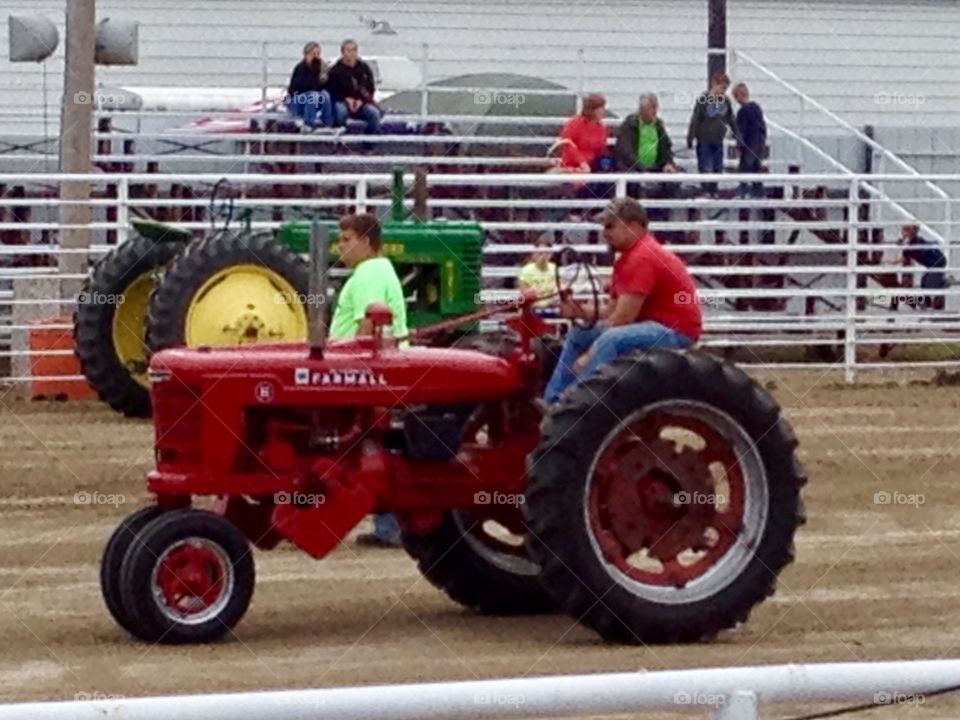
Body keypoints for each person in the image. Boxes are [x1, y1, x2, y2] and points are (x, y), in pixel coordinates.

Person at [543, 198, 702, 404]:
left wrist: (588, 356)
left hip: (675, 330)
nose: (604, 234)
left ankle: (577, 403)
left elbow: (623, 318)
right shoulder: (628, 258)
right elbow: (612, 311)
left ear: (633, 226)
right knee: (580, 333)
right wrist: (580, 311)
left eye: (610, 226)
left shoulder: (643, 257)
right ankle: (554, 400)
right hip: (653, 325)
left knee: (612, 339)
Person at [328, 212, 408, 547]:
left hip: (363, 373)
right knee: (375, 443)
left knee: (361, 443)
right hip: (376, 371)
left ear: (365, 241)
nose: (339, 248)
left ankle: (385, 524)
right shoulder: (380, 269)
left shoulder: (369, 274)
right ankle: (386, 523)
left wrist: (353, 369)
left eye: (346, 240)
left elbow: (367, 325)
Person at [687, 72, 737, 195]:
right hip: (704, 139)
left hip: (718, 139)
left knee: (717, 167)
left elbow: (731, 119)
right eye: (722, 88)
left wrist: (738, 135)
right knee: (705, 166)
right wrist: (690, 137)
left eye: (726, 89)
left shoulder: (725, 101)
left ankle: (714, 190)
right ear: (714, 84)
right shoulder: (704, 99)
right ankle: (705, 190)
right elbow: (695, 119)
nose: (724, 91)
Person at [614, 93, 680, 174]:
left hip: (656, 168)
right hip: (633, 169)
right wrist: (642, 168)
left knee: (674, 178)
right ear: (642, 109)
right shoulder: (629, 126)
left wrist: (668, 163)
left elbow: (666, 148)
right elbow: (626, 152)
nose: (655, 111)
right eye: (652, 108)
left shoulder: (658, 126)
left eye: (656, 107)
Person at [327, 39, 381, 134]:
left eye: (353, 50)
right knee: (340, 112)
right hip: (342, 102)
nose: (351, 54)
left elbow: (370, 88)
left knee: (374, 114)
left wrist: (361, 101)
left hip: (361, 103)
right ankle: (341, 141)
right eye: (348, 50)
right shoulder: (335, 71)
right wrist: (346, 100)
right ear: (342, 53)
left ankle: (368, 143)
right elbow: (331, 92)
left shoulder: (364, 68)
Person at [553, 94, 610, 173]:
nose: (604, 111)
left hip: (592, 165)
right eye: (601, 108)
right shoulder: (574, 123)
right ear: (592, 110)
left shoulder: (602, 127)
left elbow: (601, 149)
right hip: (573, 165)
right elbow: (567, 144)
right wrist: (582, 163)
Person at [900, 223, 948, 310]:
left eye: (906, 230)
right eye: (903, 230)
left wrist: (888, 261)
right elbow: (906, 258)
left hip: (937, 263)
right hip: (932, 264)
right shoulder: (910, 244)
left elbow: (904, 258)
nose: (903, 233)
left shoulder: (916, 243)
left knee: (929, 285)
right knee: (924, 283)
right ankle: (926, 303)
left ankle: (941, 287)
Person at [286, 41, 333, 129]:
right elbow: (301, 88)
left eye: (317, 54)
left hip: (314, 100)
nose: (315, 56)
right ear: (306, 55)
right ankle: (308, 124)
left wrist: (324, 77)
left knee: (325, 94)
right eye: (312, 54)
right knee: (312, 95)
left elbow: (326, 87)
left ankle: (327, 124)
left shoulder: (322, 68)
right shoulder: (300, 68)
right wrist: (315, 75)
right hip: (297, 100)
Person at [732, 83, 767, 197]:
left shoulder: (742, 112)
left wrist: (738, 146)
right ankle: (759, 192)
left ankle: (744, 190)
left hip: (748, 145)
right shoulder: (757, 108)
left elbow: (740, 131)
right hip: (759, 144)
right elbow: (763, 127)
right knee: (756, 168)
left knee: (745, 168)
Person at [519, 234, 558, 311]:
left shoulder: (554, 268)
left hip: (552, 306)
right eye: (540, 253)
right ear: (533, 255)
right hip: (533, 307)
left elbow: (557, 289)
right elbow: (524, 294)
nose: (543, 256)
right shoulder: (526, 270)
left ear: (551, 255)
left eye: (547, 253)